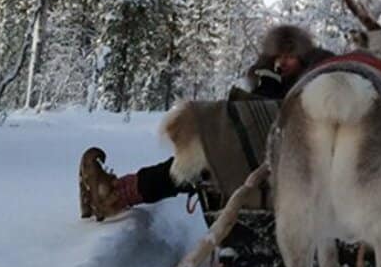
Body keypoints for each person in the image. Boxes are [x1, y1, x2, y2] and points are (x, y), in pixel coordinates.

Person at [79, 24, 334, 221]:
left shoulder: (321, 81)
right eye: (277, 57)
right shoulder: (267, 87)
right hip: (260, 171)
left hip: (313, 175)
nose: (282, 63)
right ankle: (115, 193)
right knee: (206, 159)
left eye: (289, 56)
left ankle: (113, 194)